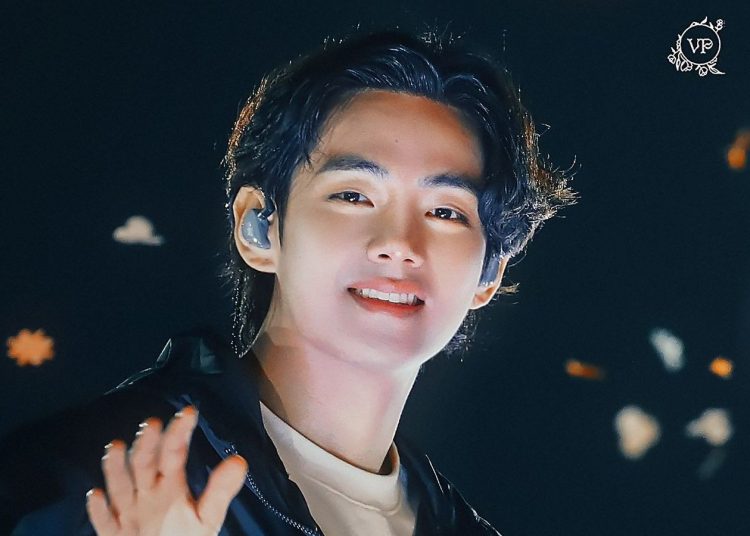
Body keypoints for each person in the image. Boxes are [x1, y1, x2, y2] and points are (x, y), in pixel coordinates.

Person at [0, 29, 576, 535]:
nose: (399, 243)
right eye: (353, 195)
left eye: (446, 212)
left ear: (490, 272)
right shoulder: (81, 482)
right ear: (259, 227)